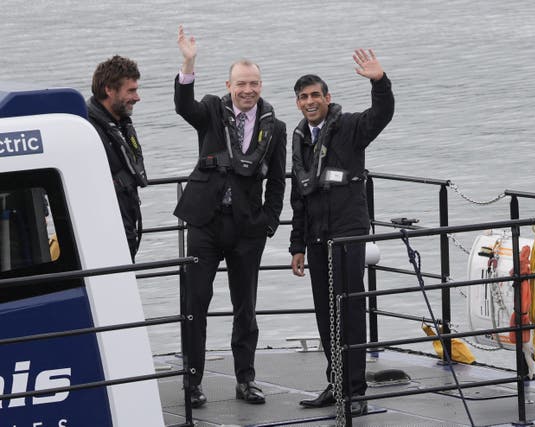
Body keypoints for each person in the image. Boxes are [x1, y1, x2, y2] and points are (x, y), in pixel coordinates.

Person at [174, 25, 286, 408]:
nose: (248, 90)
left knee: (246, 307)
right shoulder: (209, 110)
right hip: (205, 221)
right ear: (229, 84)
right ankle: (192, 383)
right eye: (241, 83)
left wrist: (269, 221)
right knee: (196, 303)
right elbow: (182, 106)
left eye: (254, 83)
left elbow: (277, 179)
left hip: (246, 228)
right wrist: (188, 62)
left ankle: (246, 379)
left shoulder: (275, 126)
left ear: (261, 85)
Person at [289, 49, 394, 416]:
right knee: (325, 314)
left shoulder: (349, 127)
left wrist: (379, 82)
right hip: (316, 238)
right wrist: (296, 245)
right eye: (303, 97)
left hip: (347, 235)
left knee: (349, 312)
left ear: (327, 98)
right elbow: (298, 195)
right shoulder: (300, 137)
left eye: (316, 95)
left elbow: (381, 116)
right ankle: (335, 385)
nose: (310, 101)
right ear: (298, 103)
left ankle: (356, 391)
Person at [87, 55, 147, 262]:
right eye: (131, 90)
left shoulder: (120, 124)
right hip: (106, 236)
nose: (137, 97)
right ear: (109, 90)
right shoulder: (88, 131)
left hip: (126, 227)